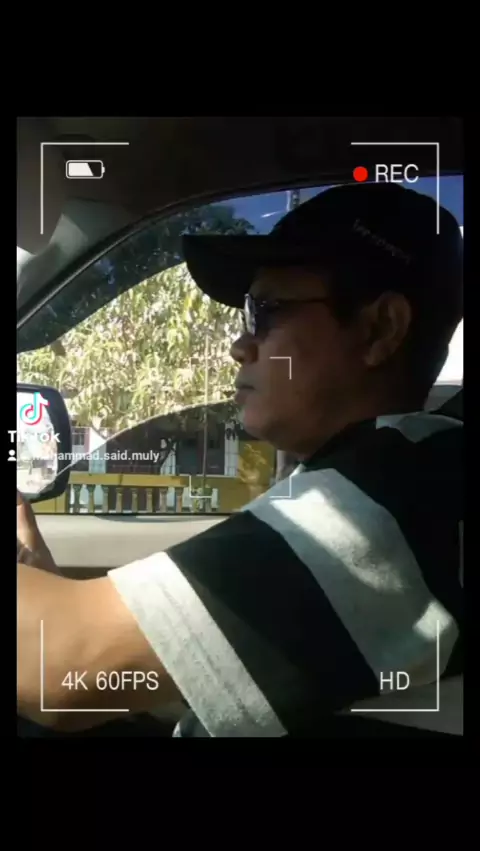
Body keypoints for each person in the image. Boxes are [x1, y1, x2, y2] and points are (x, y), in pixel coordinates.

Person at [17, 182, 463, 737]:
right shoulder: (375, 484)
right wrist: (52, 599)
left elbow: (62, 667)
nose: (239, 346)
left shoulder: (398, 493)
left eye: (266, 312)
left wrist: (61, 629)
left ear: (380, 329)